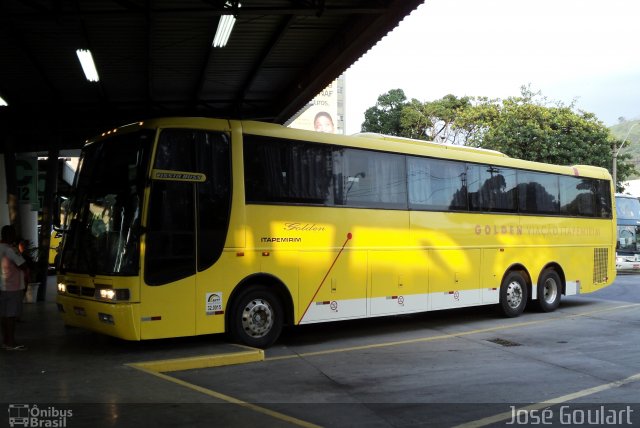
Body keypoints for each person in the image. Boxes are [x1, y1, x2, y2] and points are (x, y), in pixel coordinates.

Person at [0, 225, 27, 351]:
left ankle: (5, 341)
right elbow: (22, 264)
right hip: (13, 287)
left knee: (4, 316)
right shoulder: (10, 250)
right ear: (9, 235)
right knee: (11, 316)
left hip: (2, 287)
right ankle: (11, 342)